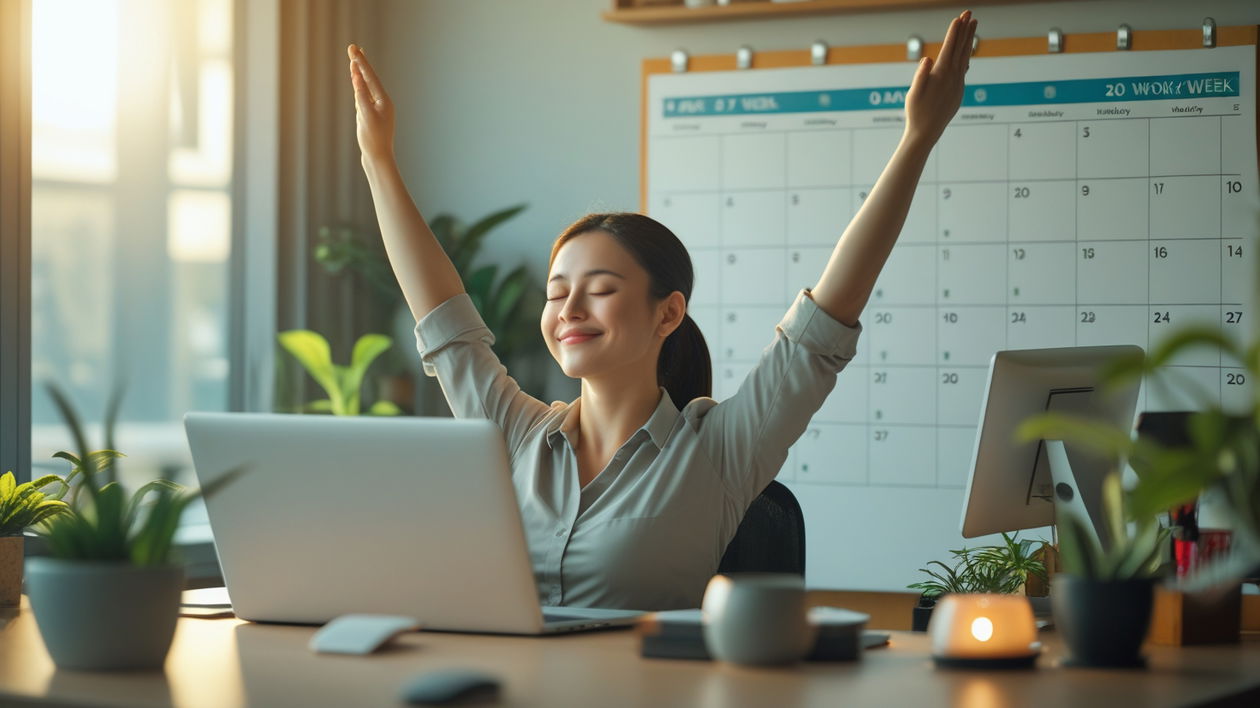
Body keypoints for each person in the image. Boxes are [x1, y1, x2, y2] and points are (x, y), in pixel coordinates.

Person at [346, 11, 978, 611]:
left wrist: (917, 139)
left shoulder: (721, 451)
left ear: (667, 314)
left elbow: (823, 324)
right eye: (556, 289)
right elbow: (446, 324)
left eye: (599, 287)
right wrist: (378, 159)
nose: (568, 306)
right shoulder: (519, 437)